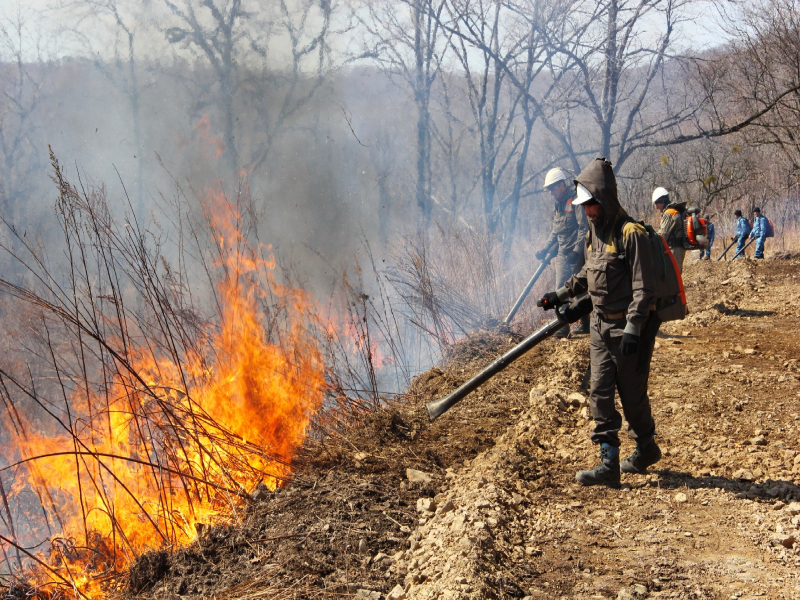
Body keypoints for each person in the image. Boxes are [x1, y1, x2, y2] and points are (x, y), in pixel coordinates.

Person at [538, 158, 661, 487]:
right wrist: (561, 295)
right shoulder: (594, 232)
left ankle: (646, 447)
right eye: (584, 207)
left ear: (603, 198)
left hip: (627, 329)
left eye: (590, 205)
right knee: (599, 393)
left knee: (632, 396)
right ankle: (609, 463)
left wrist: (634, 327)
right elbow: (588, 274)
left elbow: (643, 288)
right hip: (600, 328)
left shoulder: (630, 233)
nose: (587, 212)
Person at [536, 167, 590, 338]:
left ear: (561, 185)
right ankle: (563, 326)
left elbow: (584, 228)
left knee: (579, 289)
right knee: (560, 288)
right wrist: (545, 248)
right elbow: (555, 230)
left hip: (576, 254)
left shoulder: (575, 200)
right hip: (562, 254)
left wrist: (576, 251)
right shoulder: (558, 204)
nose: (551, 192)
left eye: (552, 188)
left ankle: (585, 324)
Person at [652, 187, 687, 272]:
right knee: (676, 275)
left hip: (674, 250)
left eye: (657, 203)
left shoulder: (669, 213)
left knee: (673, 276)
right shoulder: (675, 210)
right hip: (678, 249)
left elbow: (662, 236)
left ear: (662, 201)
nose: (656, 207)